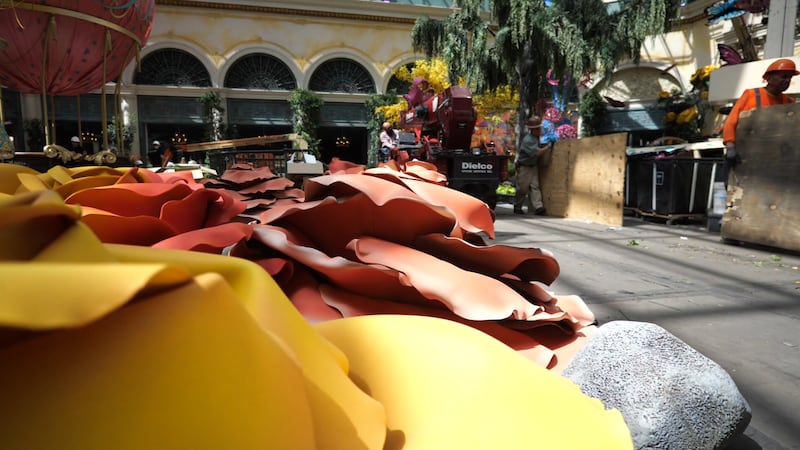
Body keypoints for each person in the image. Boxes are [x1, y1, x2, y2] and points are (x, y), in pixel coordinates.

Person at [722, 58, 799, 185]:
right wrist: (730, 145)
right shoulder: (751, 94)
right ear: (769, 78)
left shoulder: (790, 102)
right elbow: (731, 121)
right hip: (745, 156)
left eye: (789, 78)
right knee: (730, 190)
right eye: (783, 76)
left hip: (774, 160)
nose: (787, 81)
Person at [513, 116, 552, 215]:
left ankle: (538, 207)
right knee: (523, 188)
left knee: (535, 186)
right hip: (525, 167)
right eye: (538, 128)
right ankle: (517, 206)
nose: (540, 130)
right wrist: (548, 147)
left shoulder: (535, 138)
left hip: (533, 166)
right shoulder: (528, 140)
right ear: (533, 129)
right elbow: (537, 153)